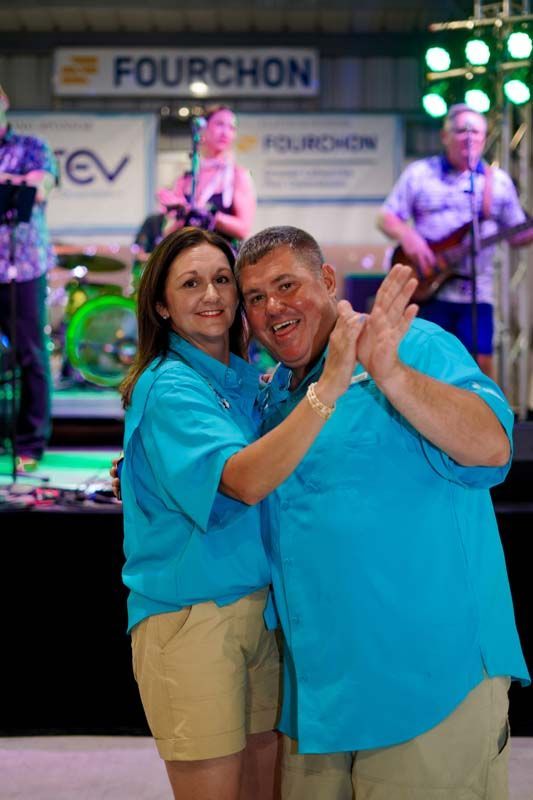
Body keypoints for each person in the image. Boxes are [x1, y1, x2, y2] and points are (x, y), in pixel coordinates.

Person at [232, 225, 529, 800]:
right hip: (316, 700)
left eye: (286, 285)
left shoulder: (410, 344)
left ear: (326, 281)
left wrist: (390, 374)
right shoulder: (273, 397)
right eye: (255, 297)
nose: (272, 307)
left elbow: (492, 444)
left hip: (429, 684)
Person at [118, 225, 368, 800]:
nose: (211, 295)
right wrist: (328, 386)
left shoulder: (242, 381)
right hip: (193, 620)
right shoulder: (170, 386)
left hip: (262, 614)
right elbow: (245, 480)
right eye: (190, 283)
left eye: (222, 280)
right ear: (161, 303)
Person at [377, 103, 533, 380]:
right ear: (445, 136)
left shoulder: (497, 183)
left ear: (484, 139)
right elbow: (386, 217)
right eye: (461, 131)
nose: (469, 137)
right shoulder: (420, 173)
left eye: (476, 132)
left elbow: (517, 235)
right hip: (428, 287)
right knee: (425, 363)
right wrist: (409, 237)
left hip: (476, 290)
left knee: (479, 363)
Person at [0, 83, 59, 472]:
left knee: (30, 352)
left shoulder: (31, 146)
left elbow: (41, 187)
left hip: (24, 264)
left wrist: (16, 185)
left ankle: (30, 444)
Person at [157, 105, 256, 250]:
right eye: (219, 124)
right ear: (204, 129)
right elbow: (167, 233)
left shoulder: (237, 175)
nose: (225, 132)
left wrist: (205, 214)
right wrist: (180, 212)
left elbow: (243, 229)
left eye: (231, 127)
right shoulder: (186, 178)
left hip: (224, 260)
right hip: (188, 257)